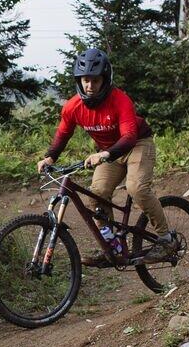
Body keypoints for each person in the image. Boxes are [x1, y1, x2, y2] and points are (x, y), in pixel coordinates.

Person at [36, 47, 172, 252]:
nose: (90, 86)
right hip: (108, 151)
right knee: (96, 194)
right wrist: (50, 157)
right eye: (85, 80)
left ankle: (166, 238)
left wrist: (105, 154)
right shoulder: (73, 107)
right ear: (79, 80)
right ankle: (111, 245)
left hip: (137, 145)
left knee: (137, 188)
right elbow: (63, 133)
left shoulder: (120, 100)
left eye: (95, 80)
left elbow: (129, 137)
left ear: (105, 79)